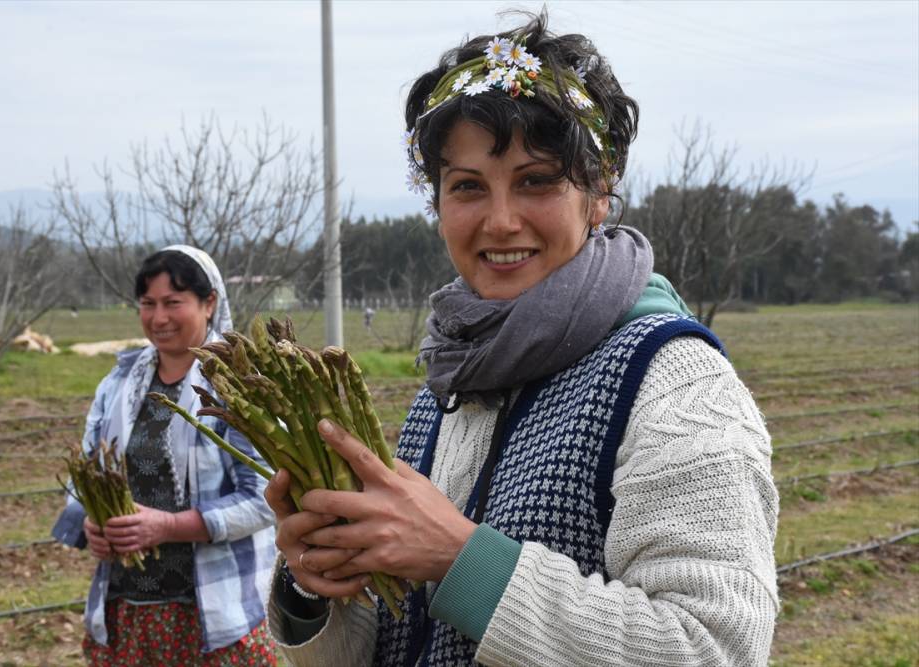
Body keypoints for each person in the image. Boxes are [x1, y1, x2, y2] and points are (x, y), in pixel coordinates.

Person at [264, 11, 778, 667]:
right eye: (468, 187)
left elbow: (713, 647)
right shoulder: (447, 387)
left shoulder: (673, 382)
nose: (501, 222)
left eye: (536, 180)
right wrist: (315, 583)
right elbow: (400, 641)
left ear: (599, 192)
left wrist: (460, 558)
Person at [52, 245, 278, 666]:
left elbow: (266, 498)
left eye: (174, 303)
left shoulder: (236, 388)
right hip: (126, 609)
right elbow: (86, 472)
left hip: (215, 615)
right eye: (148, 304)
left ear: (209, 302)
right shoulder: (119, 383)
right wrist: (90, 522)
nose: (159, 319)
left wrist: (169, 526)